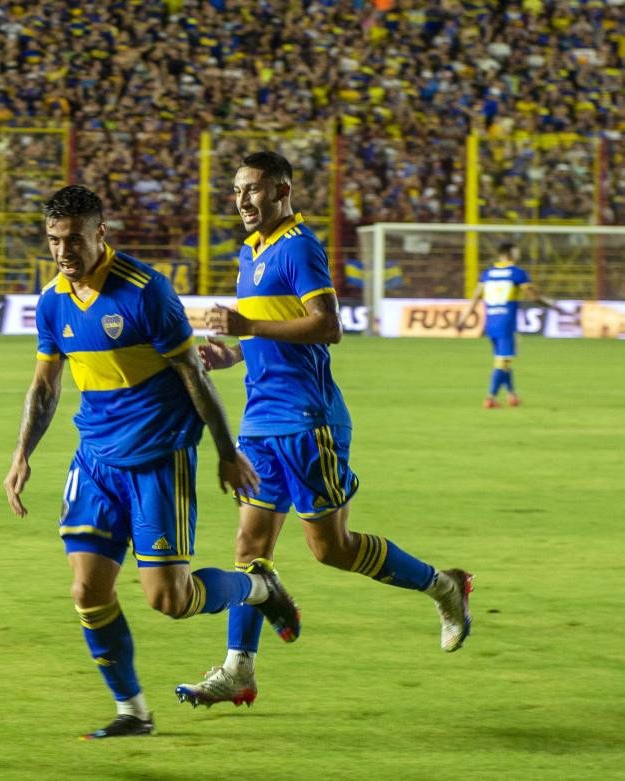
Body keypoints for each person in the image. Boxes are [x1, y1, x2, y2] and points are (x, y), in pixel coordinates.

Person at [174, 152, 472, 711]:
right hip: (261, 420)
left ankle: (444, 586)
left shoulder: (299, 246)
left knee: (330, 549)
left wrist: (248, 324)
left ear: (283, 191)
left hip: (308, 422)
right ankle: (239, 670)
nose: (242, 200)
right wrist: (234, 352)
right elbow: (275, 330)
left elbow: (328, 325)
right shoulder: (251, 251)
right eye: (236, 190)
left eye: (254, 189)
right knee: (248, 546)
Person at [3, 185, 301, 740]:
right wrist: (23, 453)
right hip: (95, 458)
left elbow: (193, 372)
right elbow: (45, 385)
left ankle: (259, 590)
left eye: (73, 240)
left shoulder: (145, 292)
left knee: (171, 600)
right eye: (52, 241)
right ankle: (133, 711)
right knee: (87, 591)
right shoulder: (52, 300)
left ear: (101, 234)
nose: (62, 252)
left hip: (159, 457)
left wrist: (224, 450)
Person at [458, 242, 555, 408]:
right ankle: (490, 398)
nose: (518, 255)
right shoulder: (518, 274)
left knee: (504, 360)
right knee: (502, 362)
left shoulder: (487, 274)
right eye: (516, 252)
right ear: (511, 253)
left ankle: (512, 395)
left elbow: (475, 298)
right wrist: (549, 303)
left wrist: (463, 319)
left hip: (491, 323)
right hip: (506, 323)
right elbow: (533, 296)